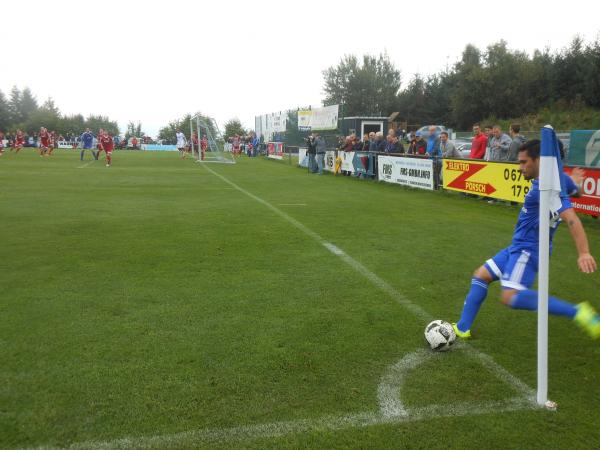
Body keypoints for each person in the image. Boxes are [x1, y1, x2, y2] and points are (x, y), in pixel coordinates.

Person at [453, 139, 600, 340]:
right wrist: (576, 183)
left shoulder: (547, 189)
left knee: (510, 296)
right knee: (481, 275)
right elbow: (577, 193)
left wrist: (584, 252)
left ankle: (578, 312)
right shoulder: (558, 180)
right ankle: (462, 327)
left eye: (524, 162)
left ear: (539, 160)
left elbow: (571, 218)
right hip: (518, 246)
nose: (520, 167)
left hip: (529, 250)